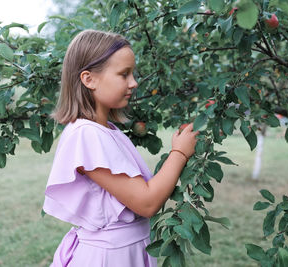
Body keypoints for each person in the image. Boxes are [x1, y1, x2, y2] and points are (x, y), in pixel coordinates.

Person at [42, 29, 199, 267]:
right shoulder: (86, 135)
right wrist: (179, 153)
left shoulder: (108, 130)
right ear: (89, 79)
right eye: (124, 74)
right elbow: (146, 202)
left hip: (127, 251)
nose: (134, 82)